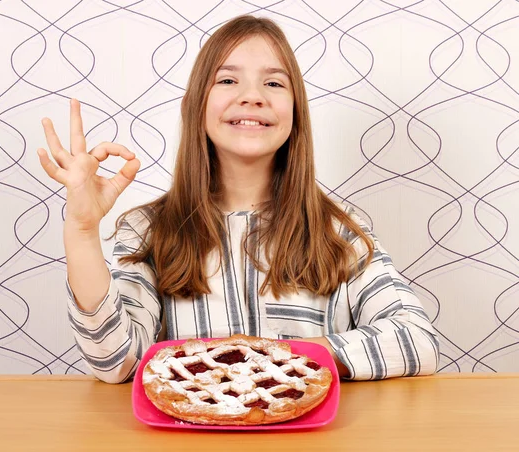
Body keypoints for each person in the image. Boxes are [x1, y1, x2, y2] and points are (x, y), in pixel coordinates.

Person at [37, 15, 439, 383]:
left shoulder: (338, 230)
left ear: (296, 111)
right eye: (228, 80)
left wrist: (276, 356)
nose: (252, 96)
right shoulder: (148, 230)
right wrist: (82, 230)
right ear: (198, 106)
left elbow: (415, 338)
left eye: (274, 83)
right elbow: (116, 362)